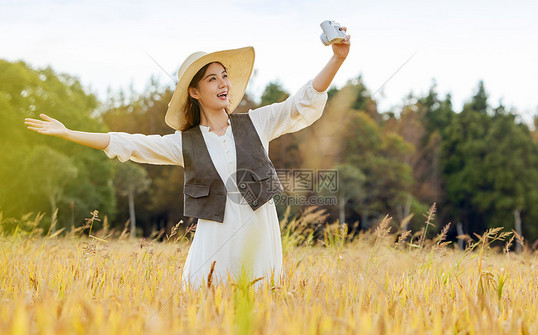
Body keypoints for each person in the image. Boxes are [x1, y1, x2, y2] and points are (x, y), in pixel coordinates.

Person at [24, 27, 351, 291]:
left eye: (225, 76)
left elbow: (300, 104)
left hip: (259, 234)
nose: (224, 83)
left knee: (262, 307)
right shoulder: (185, 143)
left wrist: (336, 59)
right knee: (208, 309)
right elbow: (129, 143)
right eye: (213, 78)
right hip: (216, 240)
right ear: (194, 91)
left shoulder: (256, 122)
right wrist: (69, 133)